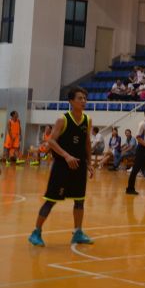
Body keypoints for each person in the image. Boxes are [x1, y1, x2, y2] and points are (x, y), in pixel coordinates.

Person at [28, 87, 95, 247]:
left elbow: (87, 142)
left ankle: (78, 232)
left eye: (85, 98)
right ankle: (36, 232)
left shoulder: (87, 120)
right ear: (71, 101)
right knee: (51, 201)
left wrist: (89, 162)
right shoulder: (62, 120)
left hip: (79, 166)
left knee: (79, 201)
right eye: (80, 98)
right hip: (62, 167)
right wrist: (66, 155)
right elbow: (51, 141)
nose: (83, 101)